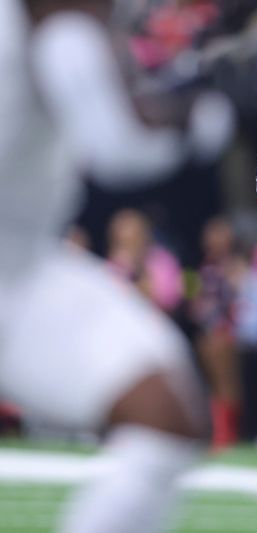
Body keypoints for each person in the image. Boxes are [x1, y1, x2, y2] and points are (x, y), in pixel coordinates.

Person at [0, 1, 210, 532]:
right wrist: (207, 112)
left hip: (20, 269)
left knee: (163, 415)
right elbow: (117, 146)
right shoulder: (56, 33)